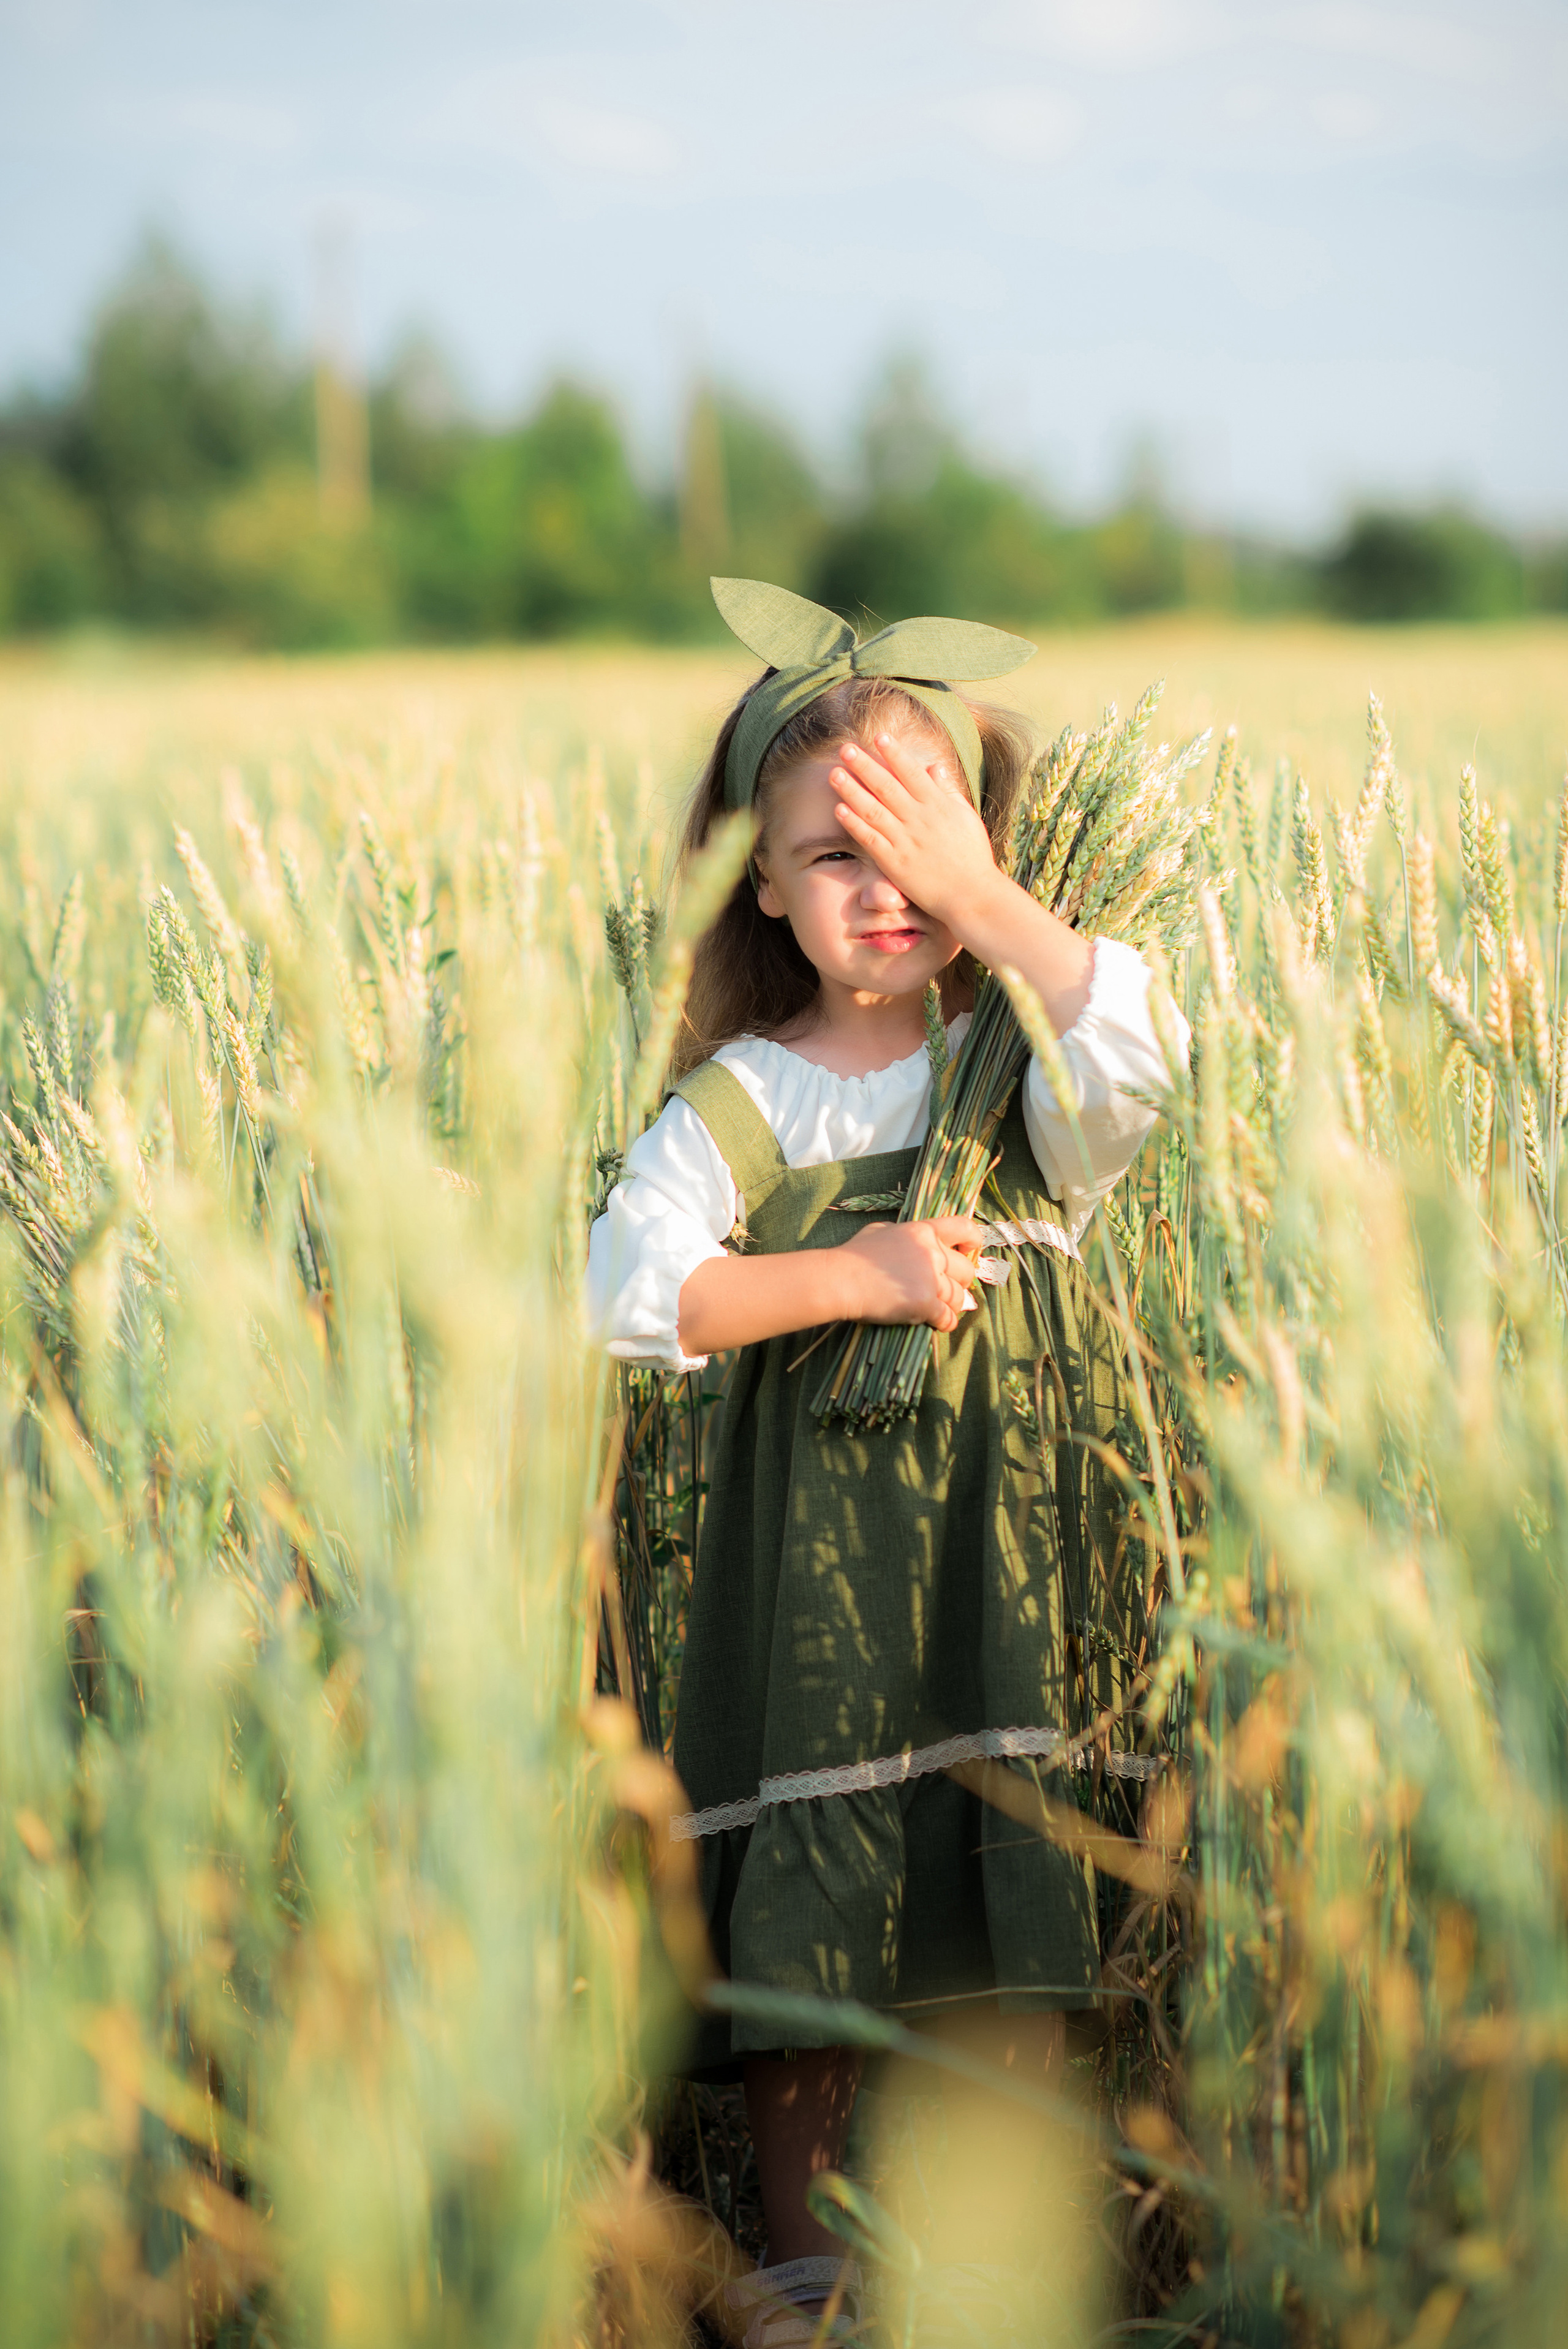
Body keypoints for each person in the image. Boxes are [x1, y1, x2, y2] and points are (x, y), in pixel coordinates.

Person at [586, 580, 1188, 2347]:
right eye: (833, 853)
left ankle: (1003, 2260)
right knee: (815, 1878)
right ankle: (805, 2278)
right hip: (816, 1574)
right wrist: (858, 1274)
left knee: (1001, 1877)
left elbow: (1141, 1070)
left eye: (918, 844)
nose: (883, 887)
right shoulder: (753, 1093)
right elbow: (633, 1293)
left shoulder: (1012, 1061)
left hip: (997, 1547)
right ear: (760, 885)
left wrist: (989, 899)